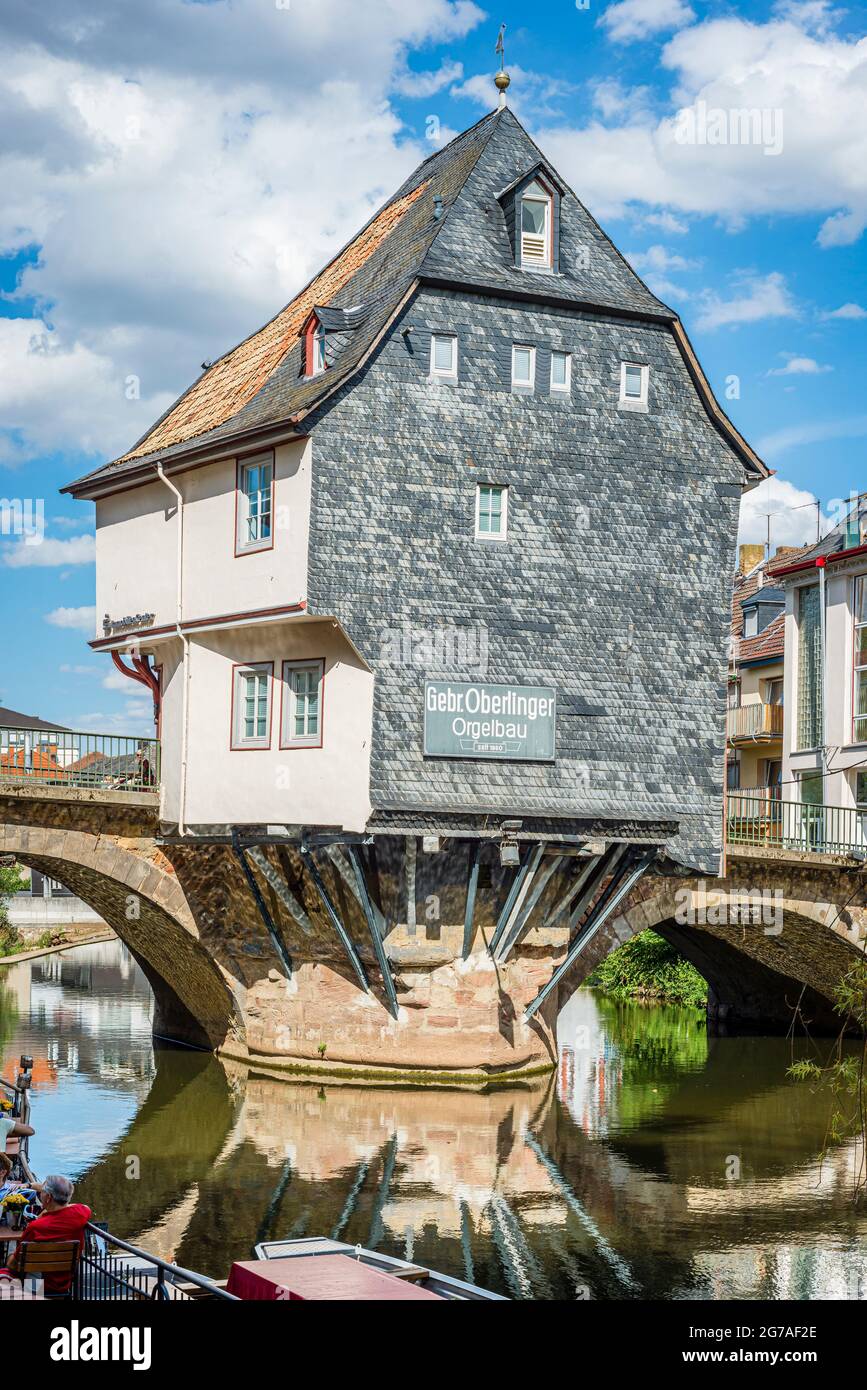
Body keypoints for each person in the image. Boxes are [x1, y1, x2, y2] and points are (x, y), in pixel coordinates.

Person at [9, 1174, 91, 1297]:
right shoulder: (81, 1213)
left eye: (42, 1192)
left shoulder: (36, 1227)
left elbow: (14, 1265)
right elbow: (83, 1207)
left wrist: (9, 1256)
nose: (40, 1194)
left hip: (36, 1286)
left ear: (48, 1197)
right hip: (64, 1285)